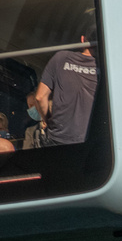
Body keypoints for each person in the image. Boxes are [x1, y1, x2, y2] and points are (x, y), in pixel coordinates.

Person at [28, 18, 98, 147]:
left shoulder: (61, 58)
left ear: (83, 40)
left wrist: (48, 121)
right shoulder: (107, 67)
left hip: (59, 139)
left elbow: (40, 97)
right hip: (92, 139)